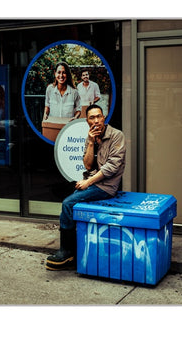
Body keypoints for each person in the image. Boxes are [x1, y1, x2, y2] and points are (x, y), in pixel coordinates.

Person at [46, 104, 126, 270]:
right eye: (92, 118)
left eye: (99, 116)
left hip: (106, 186)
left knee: (68, 204)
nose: (96, 120)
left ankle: (66, 252)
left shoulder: (117, 136)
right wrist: (90, 142)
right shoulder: (90, 137)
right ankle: (76, 249)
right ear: (87, 121)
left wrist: (88, 182)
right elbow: (88, 165)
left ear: (104, 117)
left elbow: (112, 167)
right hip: (93, 182)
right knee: (69, 204)